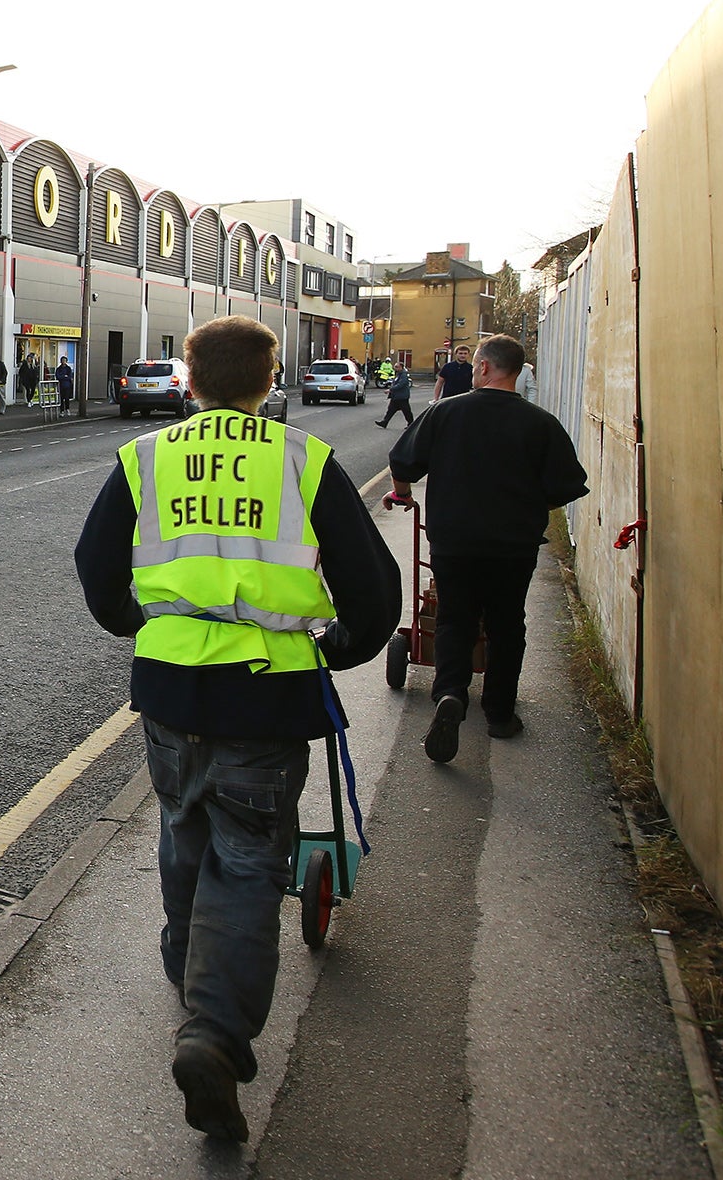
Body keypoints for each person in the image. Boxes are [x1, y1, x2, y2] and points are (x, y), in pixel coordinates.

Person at [74, 315, 399, 1141]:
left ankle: (190, 969)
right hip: (267, 695)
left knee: (184, 828)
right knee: (250, 860)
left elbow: (96, 562)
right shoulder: (302, 459)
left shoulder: (144, 457)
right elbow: (373, 585)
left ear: (190, 378)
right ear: (269, 380)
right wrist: (345, 647)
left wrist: (136, 625)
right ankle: (215, 1032)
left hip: (171, 689)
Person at [387, 333, 588, 759]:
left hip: (455, 541)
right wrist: (536, 504)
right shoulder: (540, 423)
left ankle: (451, 695)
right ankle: (499, 714)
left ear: (482, 367)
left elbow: (402, 459)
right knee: (507, 624)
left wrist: (402, 493)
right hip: (513, 545)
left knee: (455, 620)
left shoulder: (445, 412)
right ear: (516, 371)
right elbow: (568, 485)